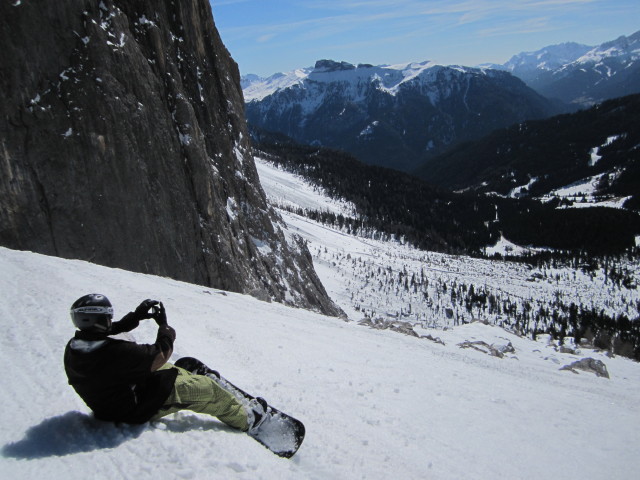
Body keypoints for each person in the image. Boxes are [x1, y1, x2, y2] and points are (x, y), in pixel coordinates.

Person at [64, 293, 265, 431]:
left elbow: (111, 331)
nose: (110, 321)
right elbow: (160, 353)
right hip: (133, 409)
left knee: (171, 370)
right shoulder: (114, 352)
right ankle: (247, 419)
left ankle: (189, 379)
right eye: (107, 317)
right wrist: (165, 329)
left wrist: (137, 315)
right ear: (97, 321)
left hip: (114, 399)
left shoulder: (77, 346)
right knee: (207, 390)